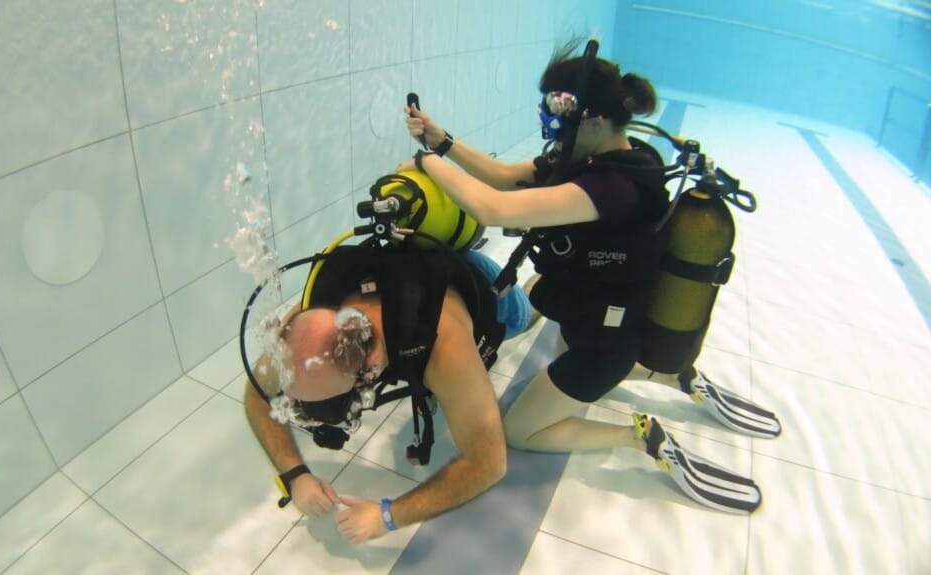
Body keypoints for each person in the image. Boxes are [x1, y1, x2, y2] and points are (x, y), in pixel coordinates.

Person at [399, 38, 777, 513]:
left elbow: (492, 207)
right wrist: (442, 141)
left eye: (557, 120)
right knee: (542, 309)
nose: (551, 131)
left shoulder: (613, 188)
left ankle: (639, 436)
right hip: (598, 313)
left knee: (521, 431)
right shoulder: (607, 155)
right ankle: (668, 375)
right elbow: (501, 176)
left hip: (604, 344)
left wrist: (424, 163)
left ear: (595, 121)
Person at [243, 240, 532, 543]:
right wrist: (294, 475)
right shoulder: (308, 331)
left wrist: (388, 516)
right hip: (410, 270)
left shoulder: (445, 348)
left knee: (525, 317)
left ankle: (535, 293)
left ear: (371, 369)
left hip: (483, 284)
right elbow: (256, 396)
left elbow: (489, 463)